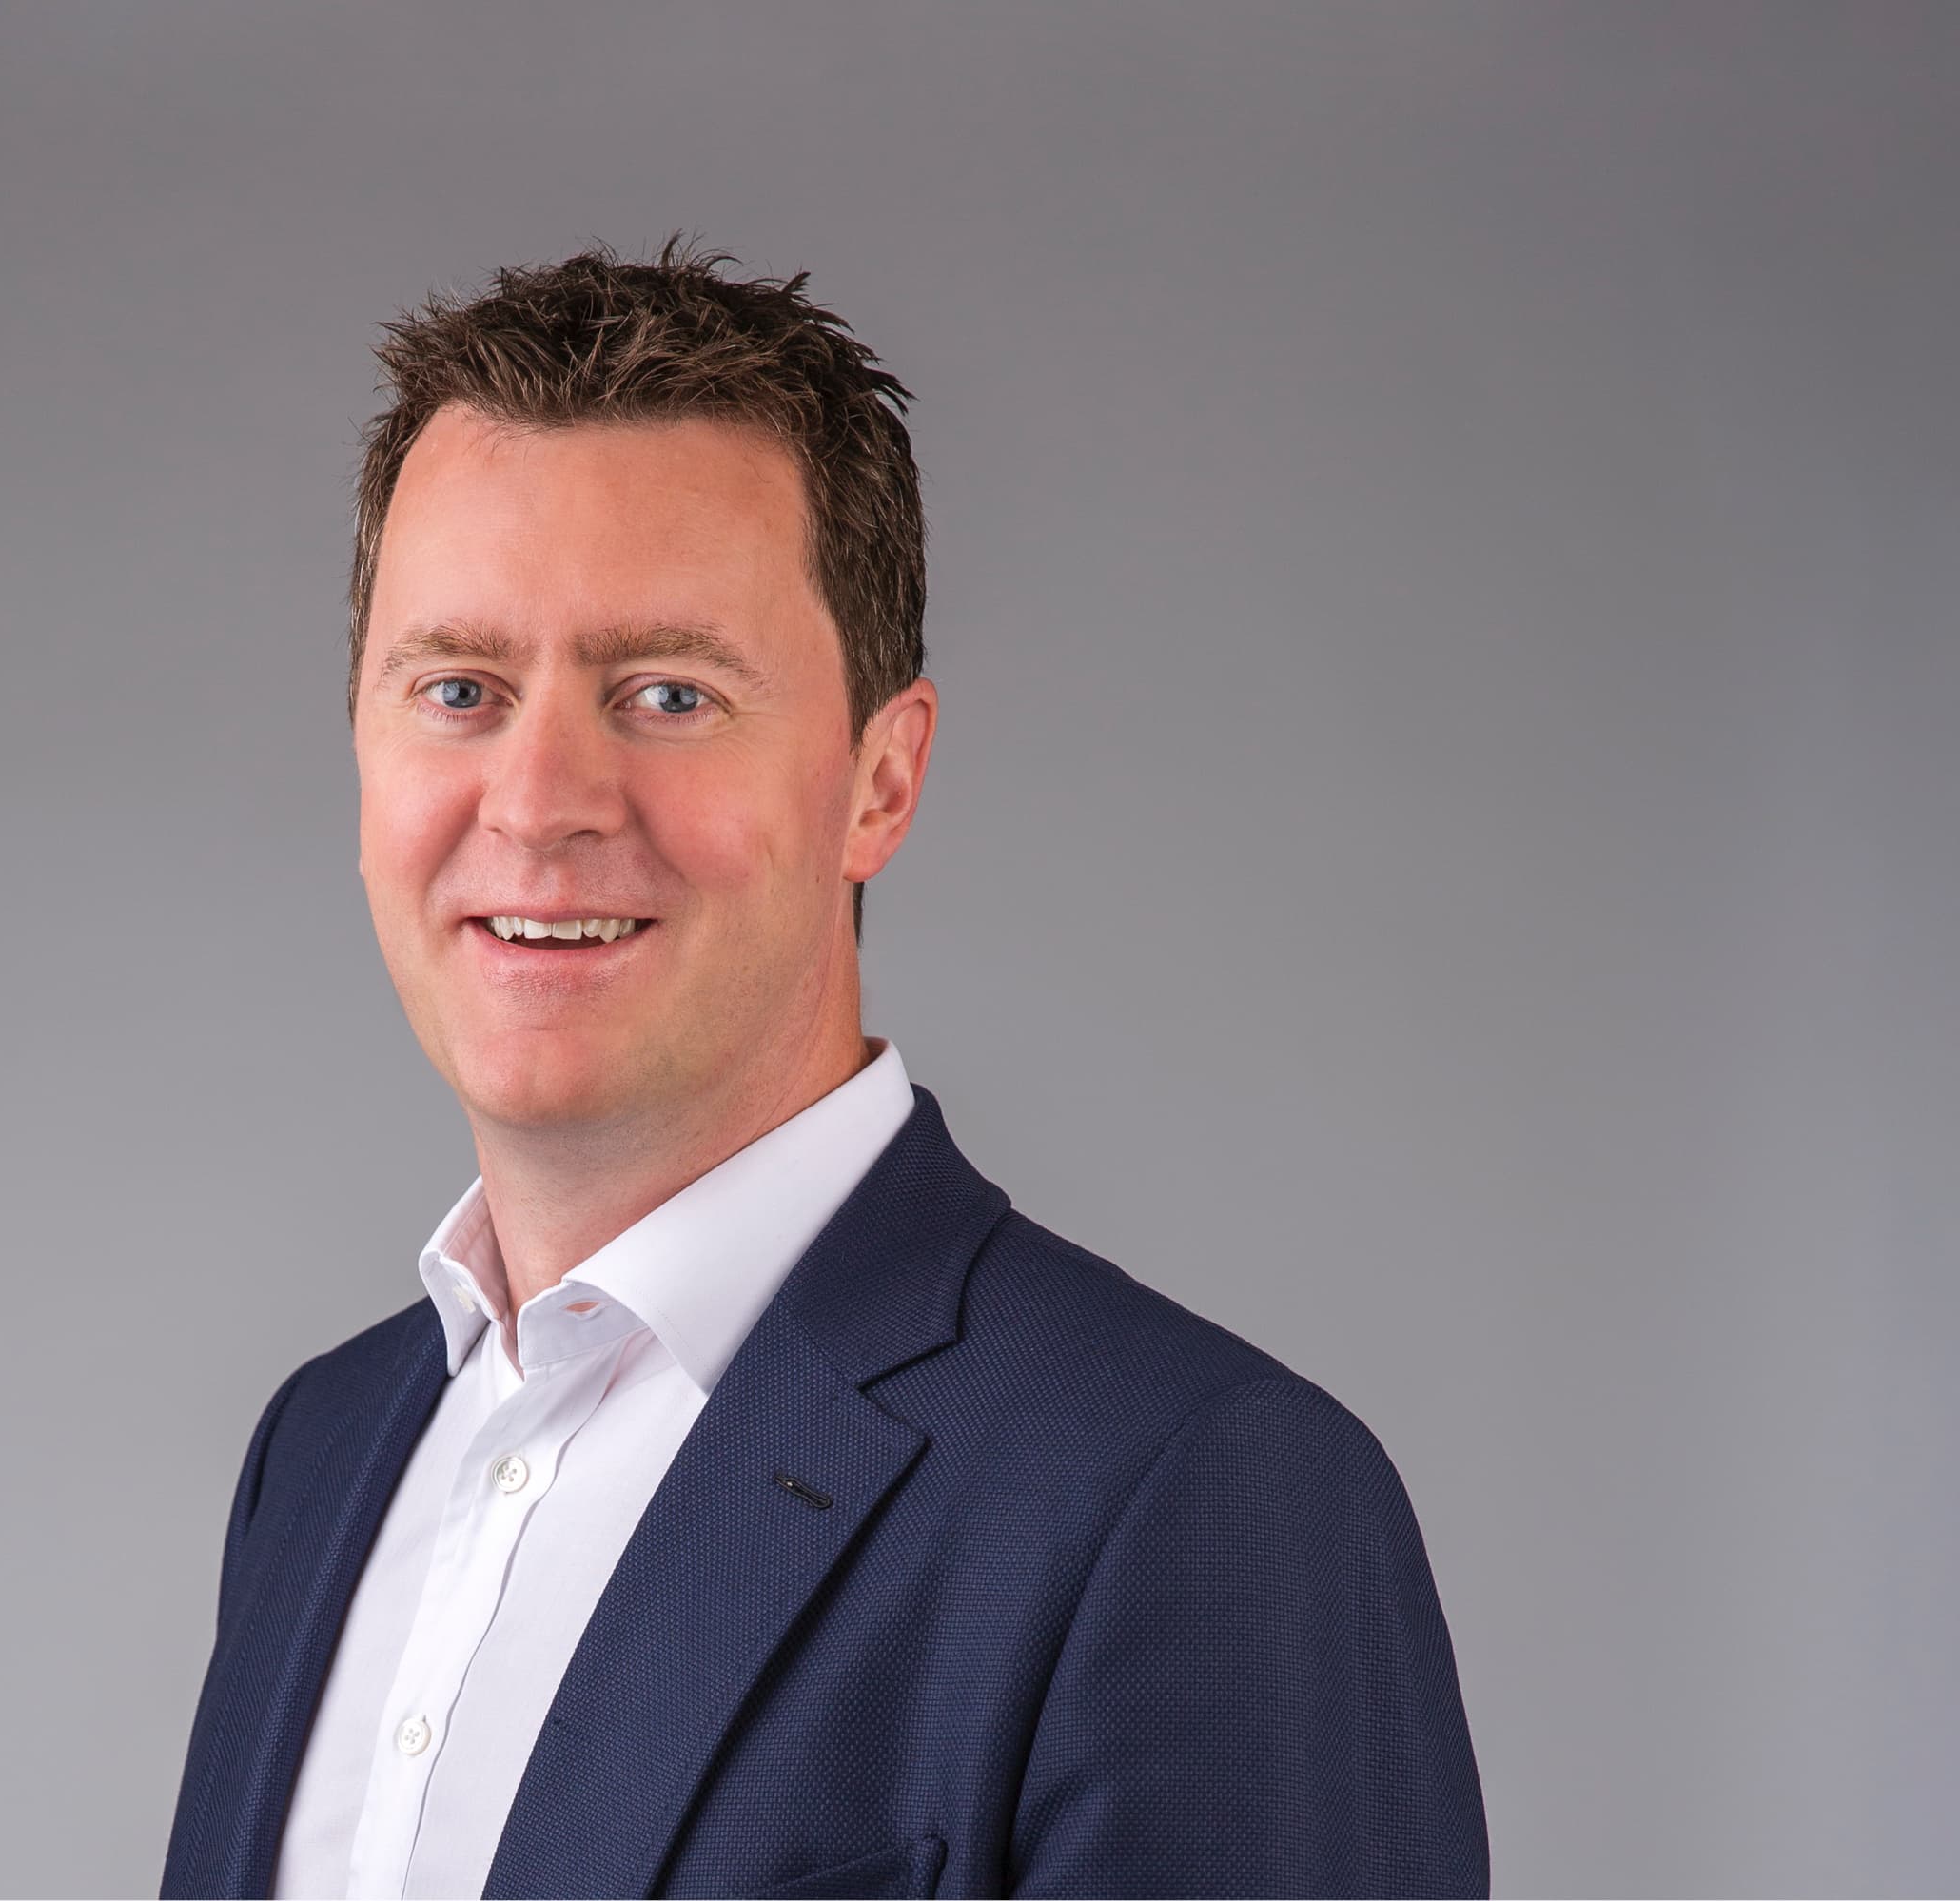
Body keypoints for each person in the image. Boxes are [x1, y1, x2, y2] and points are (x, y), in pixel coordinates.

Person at [160, 242, 1487, 1900]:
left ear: (879, 778)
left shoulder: (1193, 1498)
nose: (540, 798)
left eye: (665, 692)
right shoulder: (326, 1448)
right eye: (460, 690)